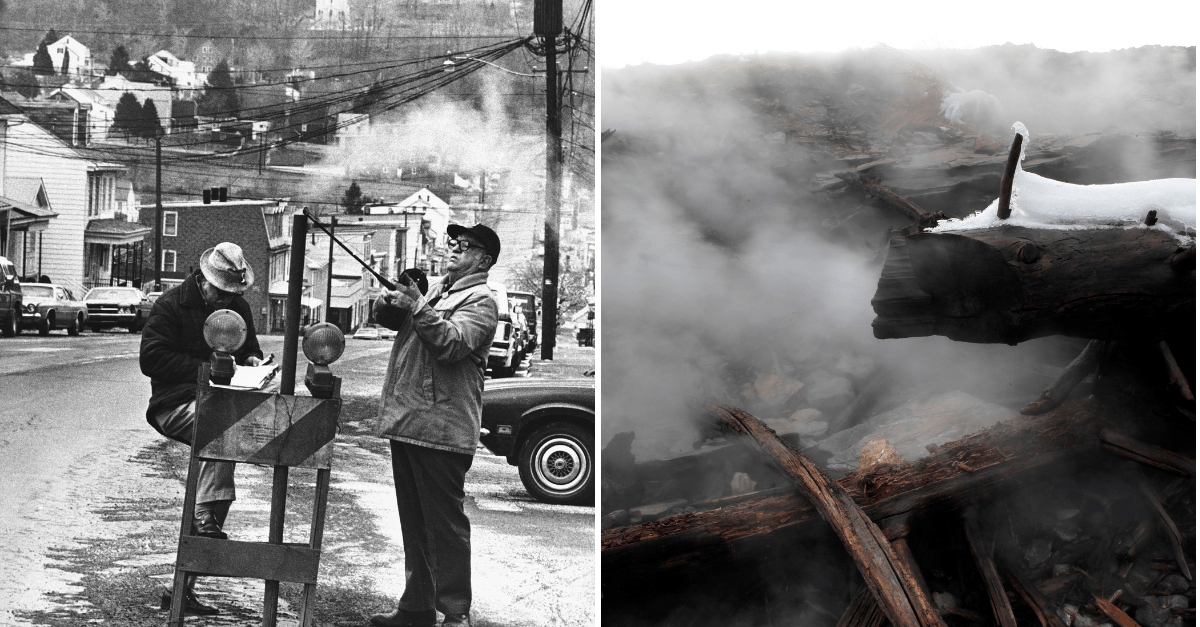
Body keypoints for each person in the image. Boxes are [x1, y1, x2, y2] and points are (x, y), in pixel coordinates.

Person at [369, 224, 501, 627]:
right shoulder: (439, 293)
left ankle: (456, 611)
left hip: (442, 430)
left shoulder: (481, 301)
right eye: (453, 244)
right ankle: (417, 606)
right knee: (415, 523)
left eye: (465, 246)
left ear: (484, 260)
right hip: (411, 422)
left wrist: (417, 306)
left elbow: (450, 344)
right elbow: (392, 322)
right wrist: (394, 301)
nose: (454, 250)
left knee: (444, 526)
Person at [139, 242, 263, 615]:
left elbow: (247, 348)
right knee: (223, 431)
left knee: (216, 487)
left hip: (219, 406)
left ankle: (180, 588)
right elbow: (152, 359)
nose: (228, 299)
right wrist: (206, 369)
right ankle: (204, 520)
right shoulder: (171, 305)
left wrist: (253, 360)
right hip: (174, 403)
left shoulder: (236, 307)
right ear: (205, 281)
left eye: (234, 293)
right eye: (223, 292)